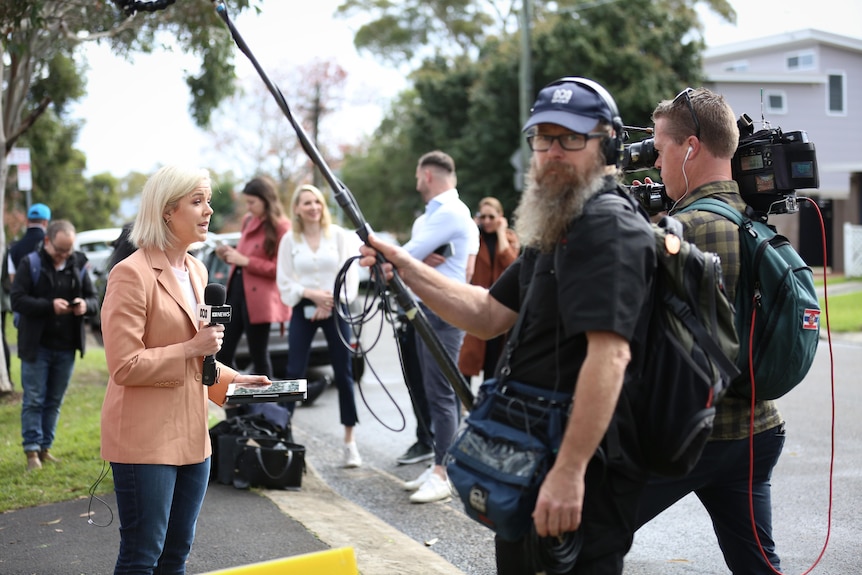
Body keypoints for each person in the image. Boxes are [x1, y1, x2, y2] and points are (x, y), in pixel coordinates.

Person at [359, 77, 655, 572]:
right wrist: (404, 266)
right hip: (531, 457)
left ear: (607, 144)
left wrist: (569, 473)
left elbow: (611, 356)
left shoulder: (608, 225)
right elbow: (487, 314)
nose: (552, 152)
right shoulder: (558, 223)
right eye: (543, 138)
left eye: (571, 138)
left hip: (580, 471)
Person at [632, 87, 785, 574]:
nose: (655, 163)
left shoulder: (684, 231)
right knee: (757, 564)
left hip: (692, 435)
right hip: (758, 429)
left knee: (585, 535)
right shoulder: (754, 218)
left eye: (659, 149)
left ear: (691, 147)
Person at [99, 165, 269, 574]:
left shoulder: (198, 271)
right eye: (197, 202)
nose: (208, 210)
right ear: (166, 212)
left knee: (177, 554)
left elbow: (200, 356)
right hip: (145, 439)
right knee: (143, 554)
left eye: (207, 200)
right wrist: (192, 346)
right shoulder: (130, 274)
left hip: (194, 437)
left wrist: (232, 380)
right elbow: (125, 366)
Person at [398, 150, 480, 504]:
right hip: (429, 310)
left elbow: (407, 253)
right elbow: (414, 258)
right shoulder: (438, 215)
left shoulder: (449, 212)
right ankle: (438, 464)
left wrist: (407, 259)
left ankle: (444, 474)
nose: (417, 183)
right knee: (435, 393)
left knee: (443, 395)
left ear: (428, 175)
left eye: (418, 176)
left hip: (444, 314)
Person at [276, 184, 364, 468]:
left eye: (317, 202)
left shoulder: (338, 236)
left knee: (344, 371)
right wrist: (311, 295)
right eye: (306, 203)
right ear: (297, 209)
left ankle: (350, 442)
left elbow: (351, 276)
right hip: (304, 308)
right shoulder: (290, 240)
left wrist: (330, 302)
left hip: (336, 307)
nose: (313, 207)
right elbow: (285, 281)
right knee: (294, 370)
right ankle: (281, 432)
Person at [10, 219, 98, 471]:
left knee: (54, 400)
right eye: (60, 250)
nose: (64, 255)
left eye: (68, 250)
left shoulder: (78, 263)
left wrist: (84, 305)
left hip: (66, 346)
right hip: (36, 345)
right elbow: (17, 299)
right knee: (34, 399)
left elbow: (94, 299)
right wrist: (49, 307)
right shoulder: (31, 263)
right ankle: (31, 451)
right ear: (47, 241)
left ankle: (46, 447)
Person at [216, 176, 291, 378]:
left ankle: (267, 408)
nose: (248, 208)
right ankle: (234, 403)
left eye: (252, 202)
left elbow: (280, 268)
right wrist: (229, 254)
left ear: (266, 199)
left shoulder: (282, 227)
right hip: (237, 291)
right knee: (223, 351)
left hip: (260, 299)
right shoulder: (248, 220)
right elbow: (245, 253)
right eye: (246, 202)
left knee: (259, 354)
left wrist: (246, 261)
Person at [458, 196, 520, 384]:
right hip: (477, 302)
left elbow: (511, 264)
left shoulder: (509, 238)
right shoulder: (476, 239)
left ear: (500, 217)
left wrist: (501, 233)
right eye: (483, 216)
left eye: (491, 217)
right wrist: (473, 230)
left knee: (494, 359)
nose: (486, 221)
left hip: (500, 305)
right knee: (468, 357)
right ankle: (464, 401)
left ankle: (487, 402)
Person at [2, 202, 52, 388]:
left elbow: (14, 281)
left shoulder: (14, 248)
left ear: (27, 221)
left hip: (23, 309)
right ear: (46, 222)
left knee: (29, 351)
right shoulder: (51, 243)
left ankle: (31, 387)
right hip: (49, 308)